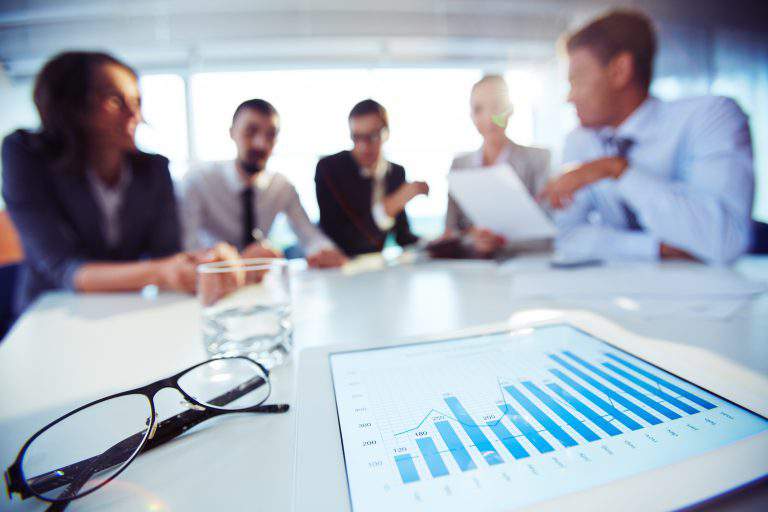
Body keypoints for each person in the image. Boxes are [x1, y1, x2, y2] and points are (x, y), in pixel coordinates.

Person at [1, 51, 211, 315]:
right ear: (71, 107)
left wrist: (201, 263)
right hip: (50, 312)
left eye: (136, 101)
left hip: (126, 310)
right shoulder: (26, 154)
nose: (135, 114)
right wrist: (163, 271)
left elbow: (166, 255)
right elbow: (63, 267)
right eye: (115, 100)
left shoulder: (154, 169)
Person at [538, 10, 754, 264]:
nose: (569, 97)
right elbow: (567, 237)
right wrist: (652, 248)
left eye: (577, 80)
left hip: (710, 297)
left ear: (620, 70)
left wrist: (616, 169)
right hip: (615, 294)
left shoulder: (711, 117)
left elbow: (725, 242)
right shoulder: (580, 140)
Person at [180, 99, 347, 269]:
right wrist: (240, 261)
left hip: (262, 283)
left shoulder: (281, 186)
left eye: (270, 134)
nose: (261, 143)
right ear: (232, 132)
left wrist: (326, 251)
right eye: (250, 132)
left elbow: (309, 236)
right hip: (212, 283)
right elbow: (187, 251)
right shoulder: (198, 182)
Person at [444, 75, 552, 256]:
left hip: (525, 267)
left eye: (496, 107)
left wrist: (501, 242)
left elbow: (548, 232)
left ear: (510, 110)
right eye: (478, 109)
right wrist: (473, 240)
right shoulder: (459, 165)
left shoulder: (538, 160)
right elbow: (450, 232)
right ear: (471, 115)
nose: (489, 117)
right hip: (474, 271)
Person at [315, 99, 427, 257]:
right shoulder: (329, 168)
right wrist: (392, 204)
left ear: (386, 133)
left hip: (375, 270)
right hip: (337, 268)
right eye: (356, 137)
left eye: (372, 136)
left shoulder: (396, 172)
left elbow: (402, 236)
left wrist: (431, 243)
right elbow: (344, 238)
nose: (363, 146)